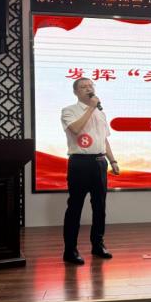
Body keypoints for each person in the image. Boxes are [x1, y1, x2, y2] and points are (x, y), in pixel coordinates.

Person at [60, 77, 120, 265]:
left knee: (100, 206)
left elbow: (104, 139)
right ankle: (70, 250)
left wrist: (112, 160)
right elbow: (76, 129)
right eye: (83, 87)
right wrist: (91, 108)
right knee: (75, 206)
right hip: (80, 163)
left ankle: (98, 245)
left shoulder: (101, 113)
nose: (88, 89)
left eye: (90, 86)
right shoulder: (69, 111)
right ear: (75, 92)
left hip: (100, 162)